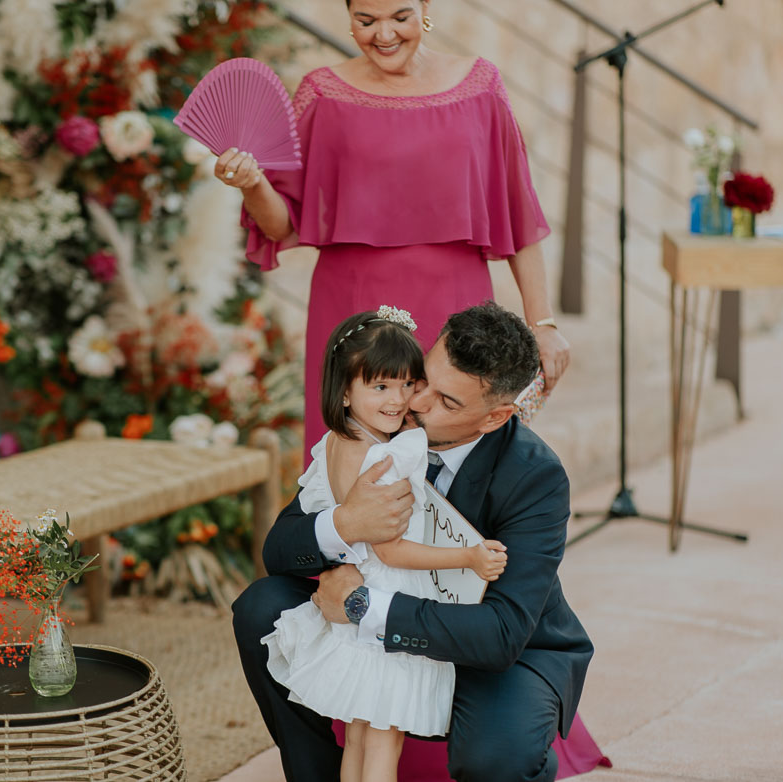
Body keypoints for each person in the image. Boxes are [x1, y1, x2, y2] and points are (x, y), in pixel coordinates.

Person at [233, 302, 597, 782]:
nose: (416, 403)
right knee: (263, 609)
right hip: (394, 619)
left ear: (494, 417)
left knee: (499, 758)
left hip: (493, 649)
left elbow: (502, 633)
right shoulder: (374, 433)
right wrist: (346, 524)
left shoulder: (535, 477)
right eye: (422, 378)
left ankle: (523, 752)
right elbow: (279, 549)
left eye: (448, 402)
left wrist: (366, 607)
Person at [213, 0, 571, 460]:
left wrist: (542, 324)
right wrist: (252, 183)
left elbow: (517, 211)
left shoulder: (481, 86)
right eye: (366, 21)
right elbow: (281, 222)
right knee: (355, 460)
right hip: (352, 305)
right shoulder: (321, 93)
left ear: (424, 7)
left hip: (456, 305)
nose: (384, 35)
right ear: (348, 17)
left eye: (399, 17)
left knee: (454, 457)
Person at [262, 306, 508, 782]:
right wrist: (468, 557)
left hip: (357, 609)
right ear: (345, 390)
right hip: (387, 608)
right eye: (380, 386)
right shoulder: (384, 456)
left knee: (359, 735)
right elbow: (391, 550)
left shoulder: (336, 442)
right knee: (383, 744)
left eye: (406, 384)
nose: (399, 401)